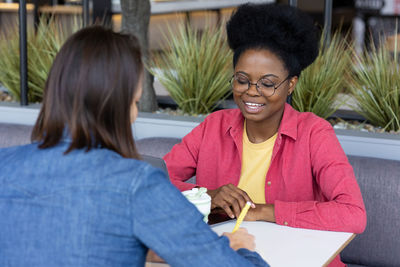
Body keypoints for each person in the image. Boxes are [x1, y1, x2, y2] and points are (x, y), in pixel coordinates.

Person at [0, 26, 268, 267]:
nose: (134, 114)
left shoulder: (4, 164)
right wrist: (240, 249)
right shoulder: (136, 184)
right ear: (116, 105)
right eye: (136, 102)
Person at [164, 4, 367, 266]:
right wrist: (207, 195)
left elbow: (352, 214)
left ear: (291, 84)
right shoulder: (213, 127)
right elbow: (154, 181)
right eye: (242, 79)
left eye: (268, 83)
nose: (251, 92)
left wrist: (264, 212)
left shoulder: (314, 133)